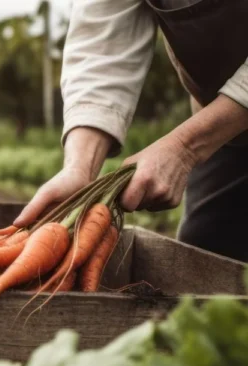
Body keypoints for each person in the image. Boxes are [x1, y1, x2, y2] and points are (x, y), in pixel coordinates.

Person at [14, 0, 248, 262]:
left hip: (215, 126)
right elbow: (102, 42)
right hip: (222, 130)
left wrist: (184, 149)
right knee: (206, 254)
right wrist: (80, 167)